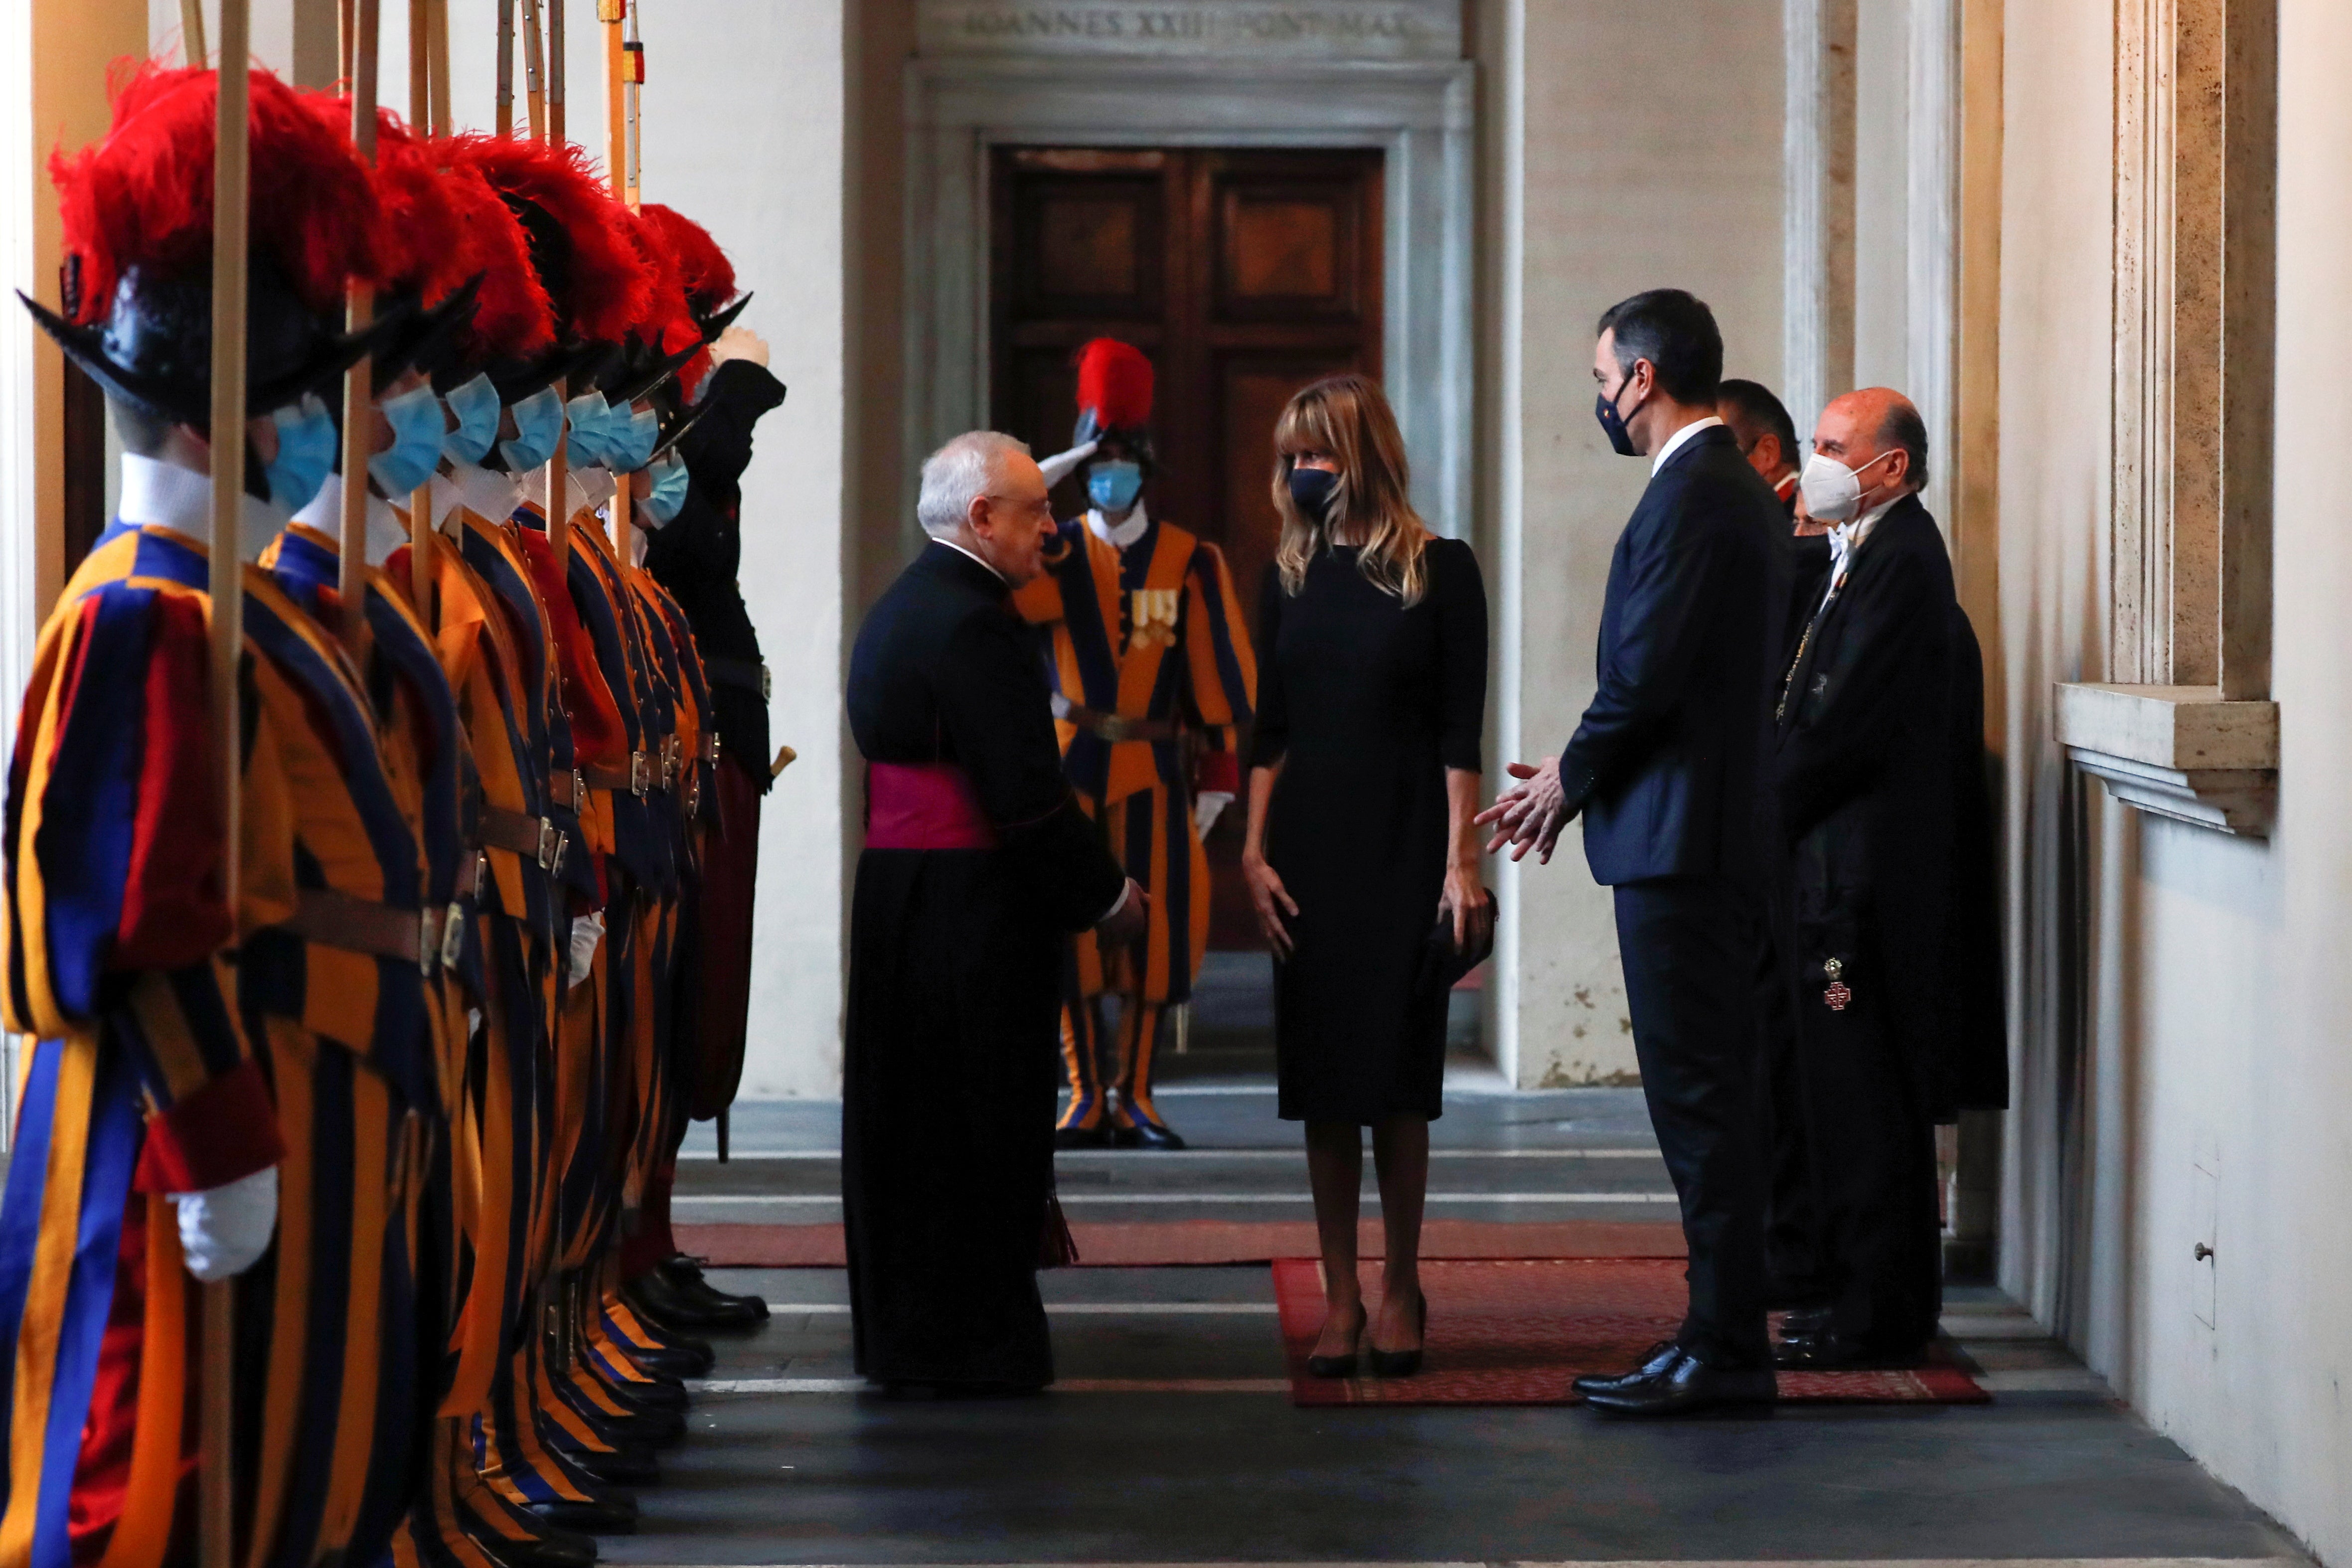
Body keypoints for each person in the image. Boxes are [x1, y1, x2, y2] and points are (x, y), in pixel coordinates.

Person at [1479, 289, 1782, 1417]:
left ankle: (1726, 1348)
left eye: (1602, 378)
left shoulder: (1697, 492)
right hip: (1693, 832)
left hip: (1684, 843)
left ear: (1642, 379)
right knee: (1705, 1095)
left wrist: (1565, 778)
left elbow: (1645, 675)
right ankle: (1713, 1330)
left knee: (1699, 1099)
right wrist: (1574, 782)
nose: (1598, 399)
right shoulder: (1725, 488)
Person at [843, 432, 1145, 1394]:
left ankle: (912, 1333)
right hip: (968, 912)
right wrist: (1108, 895)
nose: (1049, 527)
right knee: (972, 1124)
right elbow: (1026, 796)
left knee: (911, 1124)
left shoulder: (907, 603)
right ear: (981, 519)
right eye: (1031, 512)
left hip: (905, 901)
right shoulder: (976, 622)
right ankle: (969, 1341)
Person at [1239, 374, 1488, 1380]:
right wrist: (1252, 854)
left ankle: (1399, 1284)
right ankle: (1337, 1291)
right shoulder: (1286, 576)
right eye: (1293, 456)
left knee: (1395, 1080)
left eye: (1322, 454)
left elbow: (1456, 732)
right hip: (1306, 846)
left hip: (1402, 842)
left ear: (1366, 457)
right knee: (1323, 1082)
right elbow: (1270, 732)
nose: (1304, 473)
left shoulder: (1441, 570)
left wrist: (1459, 862)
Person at [1765, 388, 2007, 1370]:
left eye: (1828, 446)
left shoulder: (1902, 563)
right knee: (1844, 1098)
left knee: (1869, 1104)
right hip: (1838, 870)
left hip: (1862, 879)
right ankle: (1860, 1298)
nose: (1809, 462)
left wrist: (1754, 813)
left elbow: (1838, 724)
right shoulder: (1859, 553)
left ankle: (1879, 1314)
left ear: (1889, 467)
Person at [1016, 338, 1257, 1151]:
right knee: (1070, 925)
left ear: (1145, 467)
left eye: (1123, 459)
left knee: (1159, 932)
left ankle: (1139, 1093)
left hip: (1157, 768)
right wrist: (1038, 482)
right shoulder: (1046, 551)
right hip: (1070, 764)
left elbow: (1217, 675)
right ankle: (1084, 1091)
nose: (1110, 474)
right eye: (1098, 460)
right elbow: (992, 591)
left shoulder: (1193, 561)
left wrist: (1220, 778)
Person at [1717, 375, 1834, 1315]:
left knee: (1788, 1066)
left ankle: (1791, 1251)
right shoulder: (1773, 540)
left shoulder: (1800, 548)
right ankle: (1773, 1242)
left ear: (1762, 456)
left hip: (1798, 849)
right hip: (1766, 837)